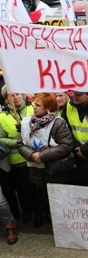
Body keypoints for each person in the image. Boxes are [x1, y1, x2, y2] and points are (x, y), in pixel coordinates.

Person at [18, 93, 75, 224]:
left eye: (38, 105)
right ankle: (49, 218)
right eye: (34, 105)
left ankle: (64, 223)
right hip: (37, 170)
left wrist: (42, 156)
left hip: (55, 171)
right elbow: (20, 144)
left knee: (59, 199)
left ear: (48, 108)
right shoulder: (27, 122)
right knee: (43, 196)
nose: (34, 108)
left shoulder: (58, 123)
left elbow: (66, 146)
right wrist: (31, 155)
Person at [0, 90, 36, 225]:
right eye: (11, 95)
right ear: (5, 99)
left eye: (17, 94)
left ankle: (40, 211)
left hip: (36, 157)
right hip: (18, 160)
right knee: (23, 189)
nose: (15, 97)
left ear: (23, 95)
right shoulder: (2, 117)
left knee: (36, 187)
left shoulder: (33, 108)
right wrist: (17, 142)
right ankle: (27, 210)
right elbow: (1, 139)